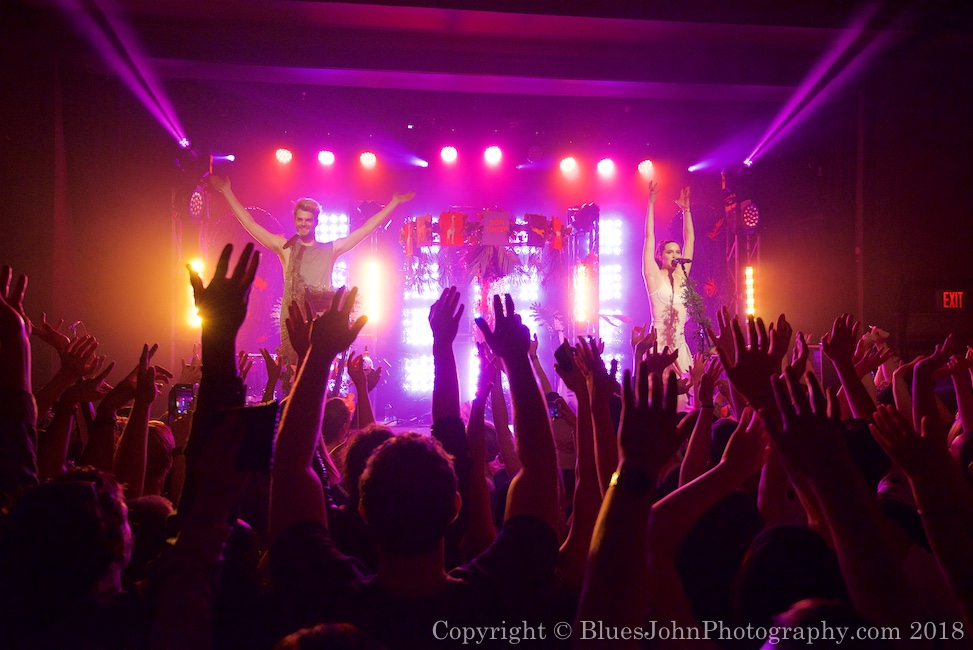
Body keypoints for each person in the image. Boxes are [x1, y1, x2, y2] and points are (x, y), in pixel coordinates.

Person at [206, 174, 414, 364]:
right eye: (299, 219)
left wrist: (394, 202)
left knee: (320, 373)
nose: (303, 224)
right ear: (295, 221)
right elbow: (250, 224)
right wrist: (226, 190)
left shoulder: (331, 249)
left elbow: (366, 229)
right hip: (294, 322)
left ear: (316, 223)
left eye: (308, 220)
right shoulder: (285, 248)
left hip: (321, 322)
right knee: (294, 376)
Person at [642, 182, 695, 373]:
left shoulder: (682, 274)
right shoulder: (654, 276)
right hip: (659, 347)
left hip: (680, 345)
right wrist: (651, 203)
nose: (675, 255)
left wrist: (686, 210)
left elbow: (690, 239)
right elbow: (649, 237)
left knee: (686, 397)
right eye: (670, 252)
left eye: (677, 252)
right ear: (660, 255)